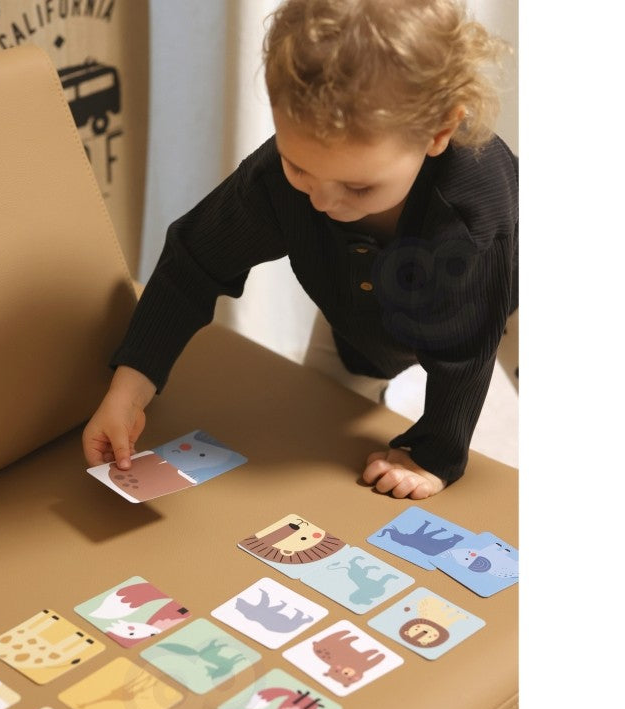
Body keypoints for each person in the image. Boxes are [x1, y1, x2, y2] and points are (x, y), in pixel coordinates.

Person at [82, 0, 518, 500]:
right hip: (360, 309)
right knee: (321, 428)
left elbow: (465, 351)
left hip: (504, 300)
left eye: (357, 188)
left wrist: (434, 455)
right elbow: (192, 264)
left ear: (438, 133)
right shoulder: (278, 182)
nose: (324, 201)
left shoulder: (472, 213)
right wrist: (128, 391)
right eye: (299, 168)